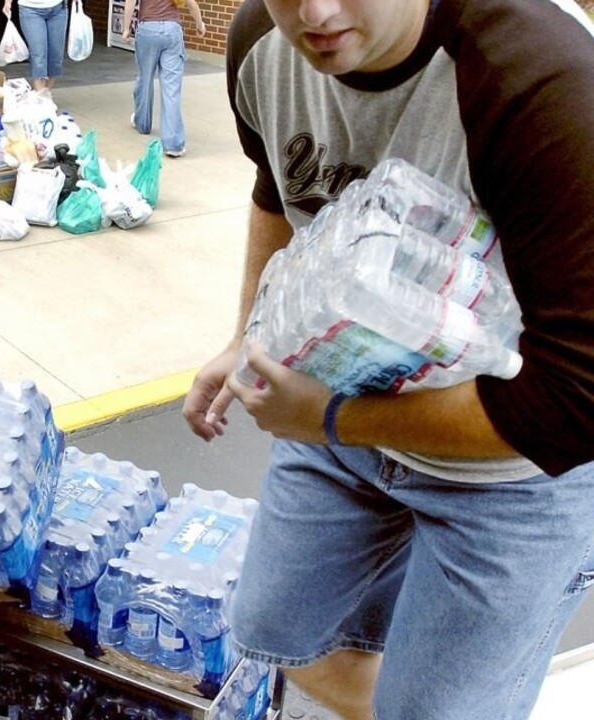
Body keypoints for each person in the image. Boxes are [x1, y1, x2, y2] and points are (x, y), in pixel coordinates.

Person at [182, 1, 594, 719]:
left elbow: (573, 403)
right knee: (269, 633)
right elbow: (275, 191)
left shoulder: (545, 81)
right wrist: (249, 336)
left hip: (513, 470)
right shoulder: (262, 42)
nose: (315, 13)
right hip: (341, 402)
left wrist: (330, 419)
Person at [122, 0, 206, 158]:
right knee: (171, 89)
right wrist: (199, 24)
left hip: (147, 29)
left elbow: (130, 1)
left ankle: (142, 123)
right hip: (172, 30)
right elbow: (191, 3)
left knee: (144, 80)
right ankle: (173, 144)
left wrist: (126, 28)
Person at [4, 0, 68, 93]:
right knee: (38, 55)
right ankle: (40, 95)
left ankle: (46, 94)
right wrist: (8, 2)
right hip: (30, 9)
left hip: (58, 8)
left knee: (55, 56)